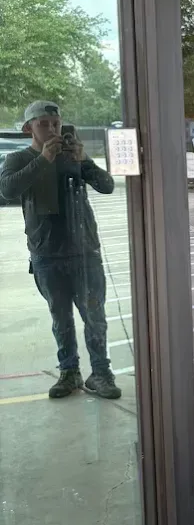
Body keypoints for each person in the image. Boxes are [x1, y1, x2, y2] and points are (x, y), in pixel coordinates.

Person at [0, 101, 121, 398]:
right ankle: (69, 372)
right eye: (44, 124)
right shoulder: (19, 159)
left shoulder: (73, 156)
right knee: (61, 317)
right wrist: (43, 159)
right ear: (29, 128)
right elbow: (7, 190)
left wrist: (83, 160)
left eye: (56, 123)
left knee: (95, 316)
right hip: (46, 254)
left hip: (84, 251)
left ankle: (100, 374)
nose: (52, 129)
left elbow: (107, 186)